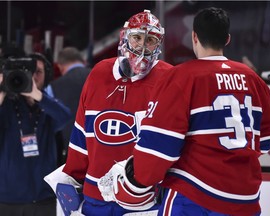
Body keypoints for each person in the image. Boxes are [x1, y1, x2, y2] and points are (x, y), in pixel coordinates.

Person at [99, 7, 270, 216]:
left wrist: (136, 180)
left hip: (194, 198)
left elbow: (160, 147)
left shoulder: (182, 77)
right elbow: (267, 139)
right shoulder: (253, 79)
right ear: (227, 39)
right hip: (245, 200)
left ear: (194, 36)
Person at [44, 9, 173, 216]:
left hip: (143, 200)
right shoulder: (100, 73)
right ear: (124, 37)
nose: (142, 46)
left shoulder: (168, 78)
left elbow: (173, 144)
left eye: (150, 40)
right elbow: (81, 134)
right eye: (137, 37)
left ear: (158, 44)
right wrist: (72, 177)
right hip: (96, 197)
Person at [0, 52, 71, 216]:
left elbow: (65, 116)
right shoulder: (6, 105)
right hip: (7, 200)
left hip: (43, 199)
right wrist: (2, 89)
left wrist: (35, 94)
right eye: (28, 71)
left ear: (47, 75)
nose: (33, 76)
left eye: (38, 71)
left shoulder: (48, 104)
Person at [47, 47, 90, 165]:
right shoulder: (102, 78)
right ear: (84, 62)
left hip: (70, 150)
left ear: (60, 66)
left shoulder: (53, 87)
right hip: (102, 145)